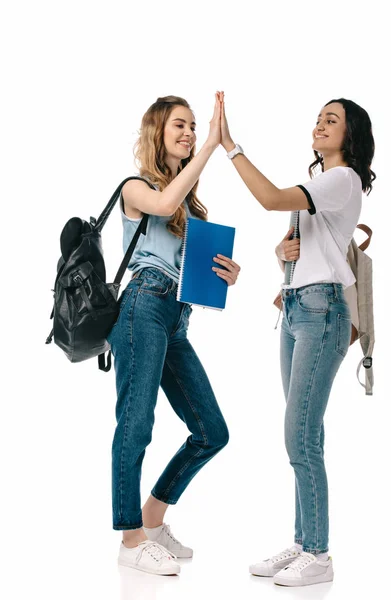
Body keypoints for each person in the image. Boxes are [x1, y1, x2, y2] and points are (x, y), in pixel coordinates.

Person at [218, 92, 375, 587]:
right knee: (305, 433)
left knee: (299, 435)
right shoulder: (317, 183)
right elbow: (306, 252)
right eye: (319, 118)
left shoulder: (341, 178)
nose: (321, 124)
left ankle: (320, 555)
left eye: (333, 120)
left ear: (350, 136)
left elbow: (268, 199)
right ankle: (305, 541)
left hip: (321, 313)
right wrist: (283, 252)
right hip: (295, 307)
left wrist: (230, 146)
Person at [107, 94, 240, 576]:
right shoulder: (136, 186)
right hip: (141, 307)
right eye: (179, 126)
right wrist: (211, 143)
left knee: (211, 432)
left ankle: (153, 519)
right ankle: (130, 539)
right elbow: (163, 203)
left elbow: (190, 266)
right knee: (136, 423)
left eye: (192, 126)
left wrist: (225, 273)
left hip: (175, 318)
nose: (187, 132)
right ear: (157, 133)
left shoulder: (190, 202)